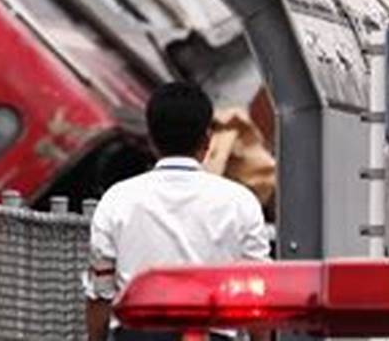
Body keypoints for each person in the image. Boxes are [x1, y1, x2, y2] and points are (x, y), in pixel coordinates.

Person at [85, 82, 269, 341]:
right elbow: (256, 292)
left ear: (151, 139)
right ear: (207, 140)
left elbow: (99, 293)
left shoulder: (117, 199)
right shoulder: (240, 202)